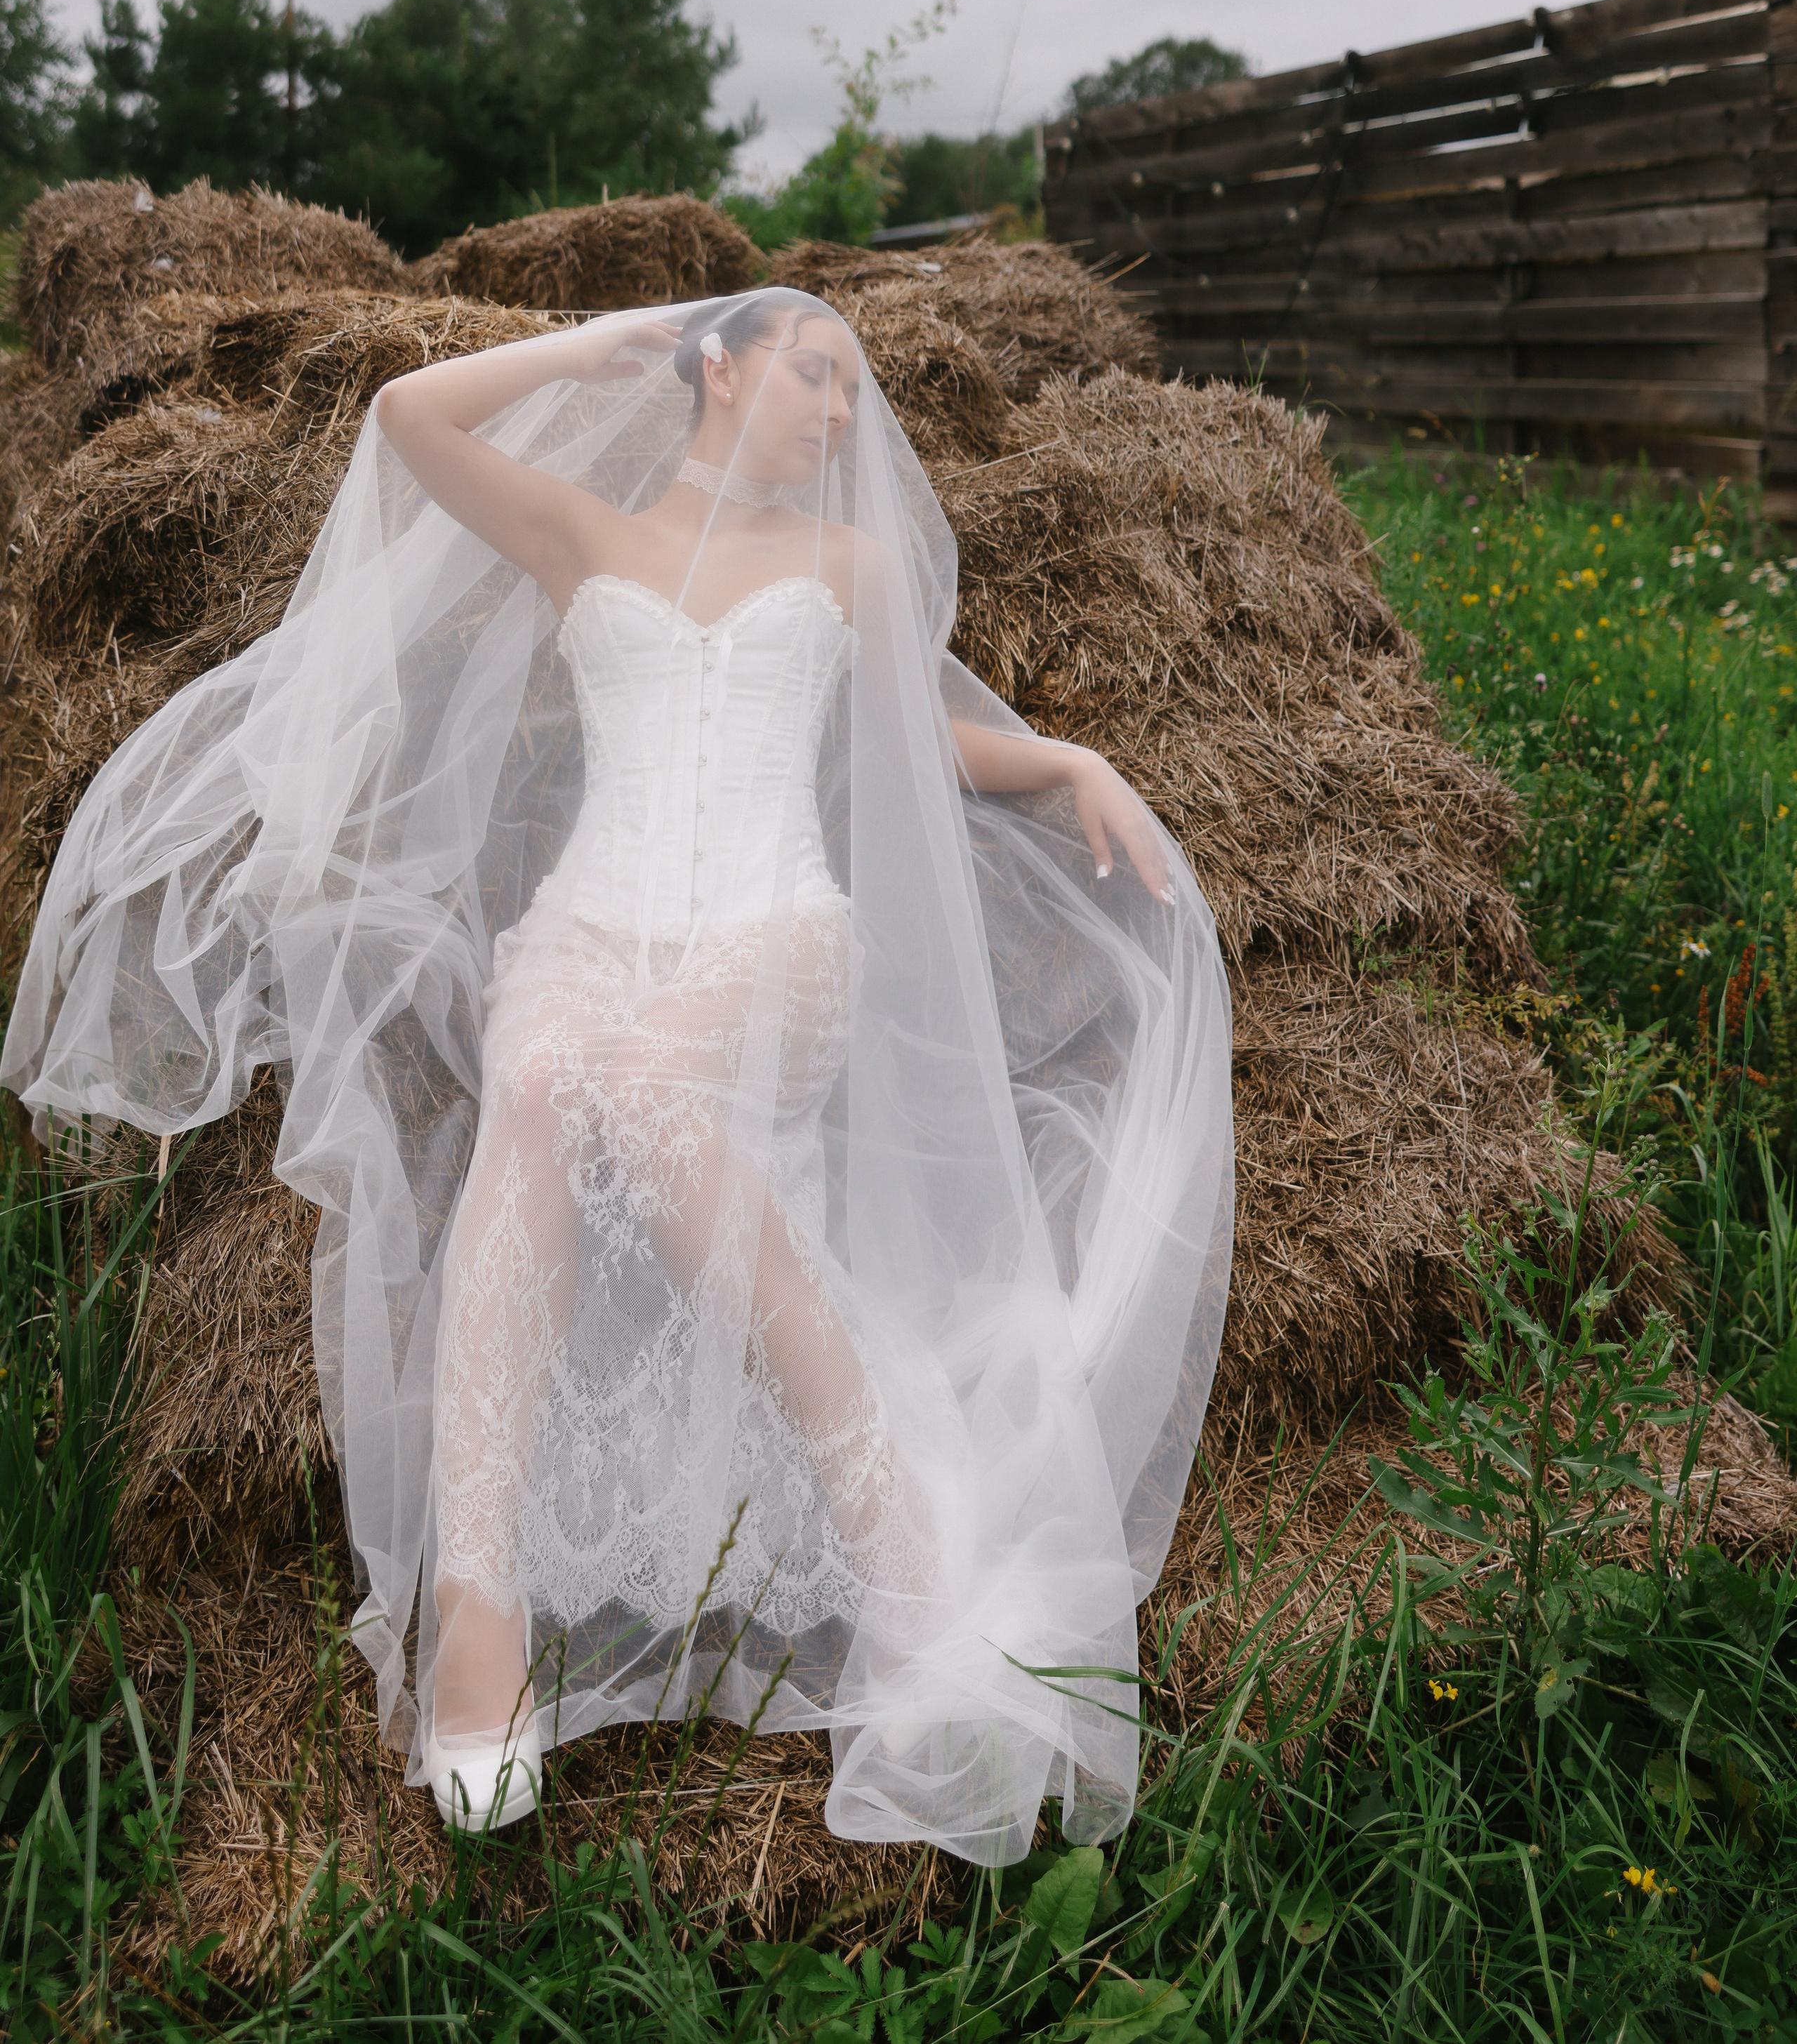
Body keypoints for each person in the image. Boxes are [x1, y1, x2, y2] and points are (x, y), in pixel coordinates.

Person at [4, 284, 1233, 1866]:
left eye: (851, 393)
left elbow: (928, 740)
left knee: (643, 1087)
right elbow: (408, 419)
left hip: (775, 937)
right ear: (719, 368)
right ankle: (480, 1606)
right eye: (815, 374)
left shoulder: (844, 566)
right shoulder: (585, 532)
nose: (841, 415)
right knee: (535, 1088)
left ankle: (900, 1538)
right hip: (587, 924)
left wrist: (1068, 759)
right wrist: (602, 342)